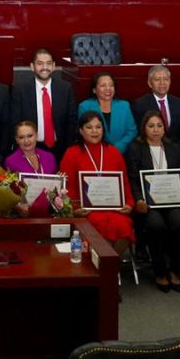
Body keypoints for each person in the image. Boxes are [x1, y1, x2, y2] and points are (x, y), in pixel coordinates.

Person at [125, 112, 180, 292]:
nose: (156, 130)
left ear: (165, 128)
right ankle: (159, 271)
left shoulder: (173, 148)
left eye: (159, 126)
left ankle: (175, 269)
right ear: (144, 128)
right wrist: (139, 199)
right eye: (151, 126)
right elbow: (132, 178)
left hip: (173, 200)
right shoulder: (135, 148)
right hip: (148, 203)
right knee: (156, 225)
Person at [60, 111, 136, 260]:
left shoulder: (114, 152)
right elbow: (68, 188)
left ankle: (109, 267)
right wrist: (75, 209)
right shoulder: (71, 153)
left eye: (98, 127)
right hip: (87, 211)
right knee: (98, 224)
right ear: (81, 131)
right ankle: (103, 269)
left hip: (114, 209)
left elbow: (124, 183)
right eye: (89, 127)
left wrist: (128, 204)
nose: (94, 131)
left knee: (124, 225)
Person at [11, 48, 77, 161]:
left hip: (60, 149)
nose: (44, 67)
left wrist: (68, 148)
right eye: (40, 64)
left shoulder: (65, 88)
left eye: (48, 63)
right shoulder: (20, 90)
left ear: (54, 66)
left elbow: (71, 121)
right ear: (32, 67)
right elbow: (15, 121)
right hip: (31, 148)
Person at [131, 65, 180, 148]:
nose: (162, 83)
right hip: (149, 151)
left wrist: (175, 152)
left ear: (170, 81)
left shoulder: (179, 103)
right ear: (149, 83)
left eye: (166, 79)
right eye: (157, 79)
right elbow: (139, 133)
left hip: (177, 152)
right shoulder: (140, 104)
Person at [77, 72, 136, 153]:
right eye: (103, 85)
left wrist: (119, 147)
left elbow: (131, 131)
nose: (108, 88)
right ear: (94, 90)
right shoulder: (85, 107)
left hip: (121, 152)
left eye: (111, 85)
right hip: (94, 152)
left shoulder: (124, 106)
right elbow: (83, 132)